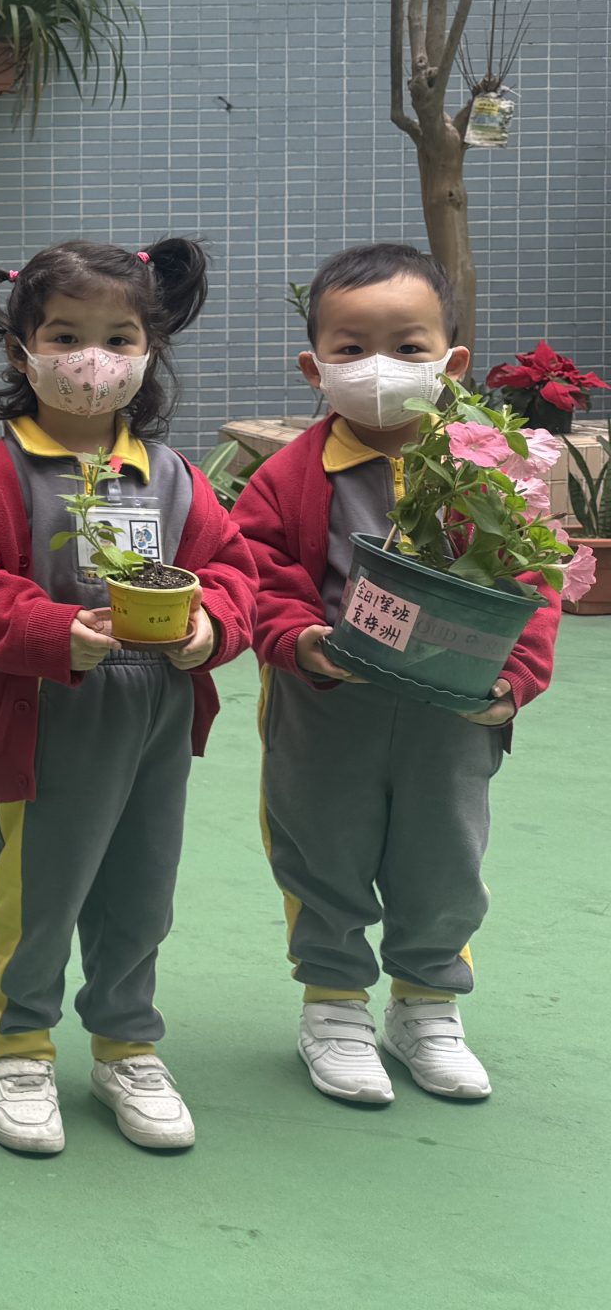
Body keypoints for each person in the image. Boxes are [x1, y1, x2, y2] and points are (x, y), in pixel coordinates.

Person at [0, 239, 257, 1158]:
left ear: (150, 350)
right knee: (39, 891)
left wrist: (212, 629)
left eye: (118, 338)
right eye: (66, 336)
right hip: (48, 717)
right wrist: (49, 629)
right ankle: (20, 1048)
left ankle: (127, 1045)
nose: (92, 360)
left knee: (141, 889)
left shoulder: (173, 477)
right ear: (20, 350)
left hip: (156, 715)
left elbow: (235, 572)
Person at [233, 243, 560, 1106]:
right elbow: (258, 571)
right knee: (322, 849)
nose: (379, 366)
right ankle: (334, 1005)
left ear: (452, 362)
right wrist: (297, 639)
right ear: (314, 367)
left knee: (444, 854)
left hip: (452, 713)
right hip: (327, 705)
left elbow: (534, 573)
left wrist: (513, 677)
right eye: (351, 348)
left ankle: (427, 1006)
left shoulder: (487, 467)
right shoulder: (288, 478)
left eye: (408, 347)